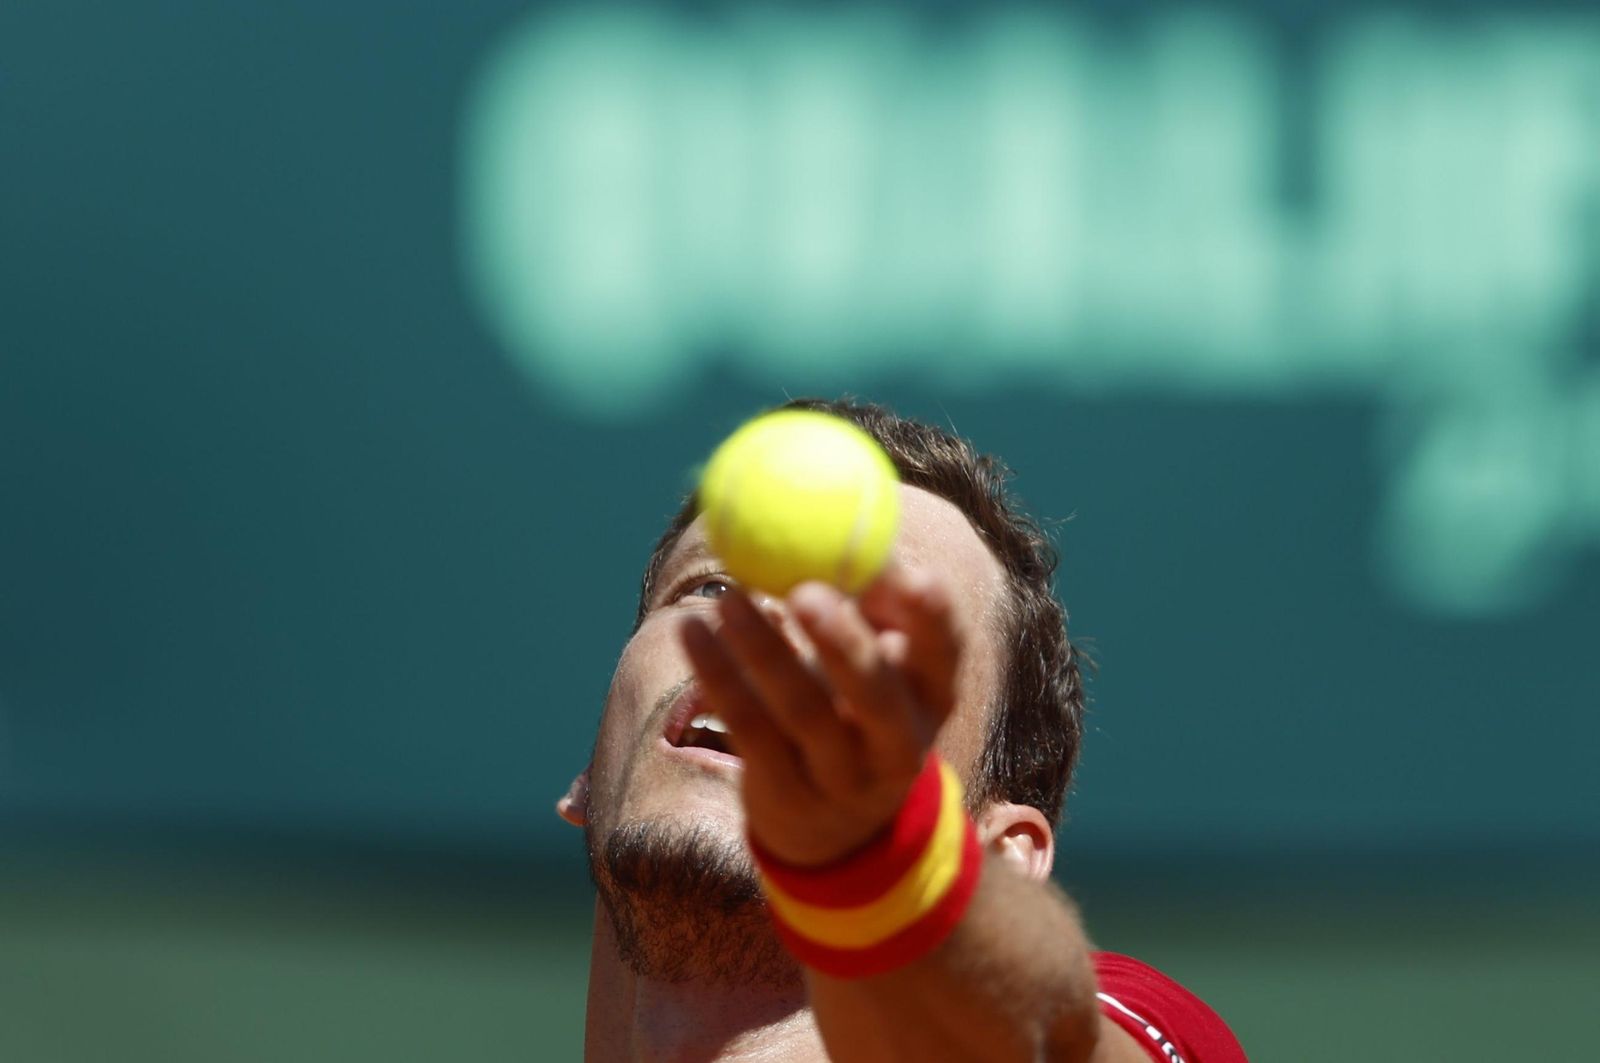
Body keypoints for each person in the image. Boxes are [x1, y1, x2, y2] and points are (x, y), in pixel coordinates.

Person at [556, 397, 1247, 1061]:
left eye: (874, 633)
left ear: (999, 859)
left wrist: (900, 884)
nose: (771, 634)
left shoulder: (1133, 1029)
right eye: (714, 589)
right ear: (588, 778)